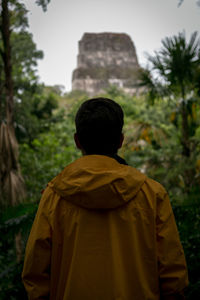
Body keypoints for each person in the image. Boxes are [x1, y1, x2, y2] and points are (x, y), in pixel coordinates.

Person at [22, 97, 188, 300]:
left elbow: (35, 275)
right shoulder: (152, 194)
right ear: (120, 140)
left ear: (77, 141)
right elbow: (173, 277)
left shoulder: (54, 195)